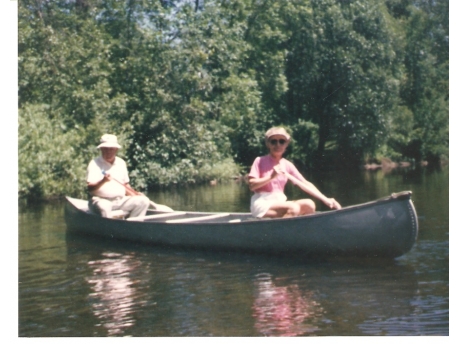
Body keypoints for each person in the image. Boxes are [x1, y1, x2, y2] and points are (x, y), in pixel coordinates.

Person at [248, 127, 341, 218]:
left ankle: (300, 232)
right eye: (273, 141)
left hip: (280, 202)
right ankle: (282, 232)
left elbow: (305, 183)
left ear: (286, 144)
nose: (278, 145)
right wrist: (271, 176)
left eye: (282, 141)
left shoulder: (287, 165)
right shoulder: (259, 160)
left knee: (309, 204)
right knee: (293, 208)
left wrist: (326, 199)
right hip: (262, 203)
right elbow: (252, 185)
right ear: (268, 144)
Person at [86, 134, 150, 218]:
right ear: (101, 149)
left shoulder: (121, 163)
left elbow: (126, 186)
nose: (108, 151)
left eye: (111, 149)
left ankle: (133, 227)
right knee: (105, 207)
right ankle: (109, 229)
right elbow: (90, 188)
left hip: (120, 200)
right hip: (100, 200)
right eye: (105, 149)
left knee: (143, 201)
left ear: (116, 149)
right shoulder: (94, 163)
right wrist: (103, 181)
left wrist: (135, 194)